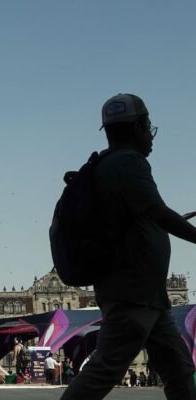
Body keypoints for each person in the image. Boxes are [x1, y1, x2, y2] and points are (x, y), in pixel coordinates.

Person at [59, 93, 196, 400]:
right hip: (133, 291)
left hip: (147, 294)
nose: (151, 137)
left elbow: (144, 216)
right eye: (149, 128)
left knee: (178, 368)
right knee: (106, 368)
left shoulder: (108, 166)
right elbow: (159, 213)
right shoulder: (127, 163)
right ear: (137, 128)